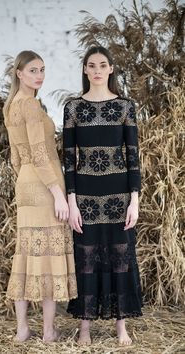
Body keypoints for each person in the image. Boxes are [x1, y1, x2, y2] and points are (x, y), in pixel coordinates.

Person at [63, 46, 143, 346]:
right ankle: (84, 327)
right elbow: (69, 159)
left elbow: (133, 156)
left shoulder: (125, 107)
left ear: (111, 69)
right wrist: (71, 201)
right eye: (91, 65)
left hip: (119, 196)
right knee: (86, 259)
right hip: (84, 196)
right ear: (85, 70)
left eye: (102, 64)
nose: (97, 69)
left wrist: (135, 199)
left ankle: (121, 327)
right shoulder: (73, 108)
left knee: (120, 258)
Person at [3, 50, 77, 343]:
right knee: (47, 258)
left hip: (25, 185)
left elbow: (16, 157)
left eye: (42, 70)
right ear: (19, 73)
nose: (40, 76)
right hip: (46, 186)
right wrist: (58, 194)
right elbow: (40, 154)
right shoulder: (31, 106)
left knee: (26, 255)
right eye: (33, 70)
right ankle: (48, 331)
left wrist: (23, 182)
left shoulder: (11, 106)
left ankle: (22, 329)